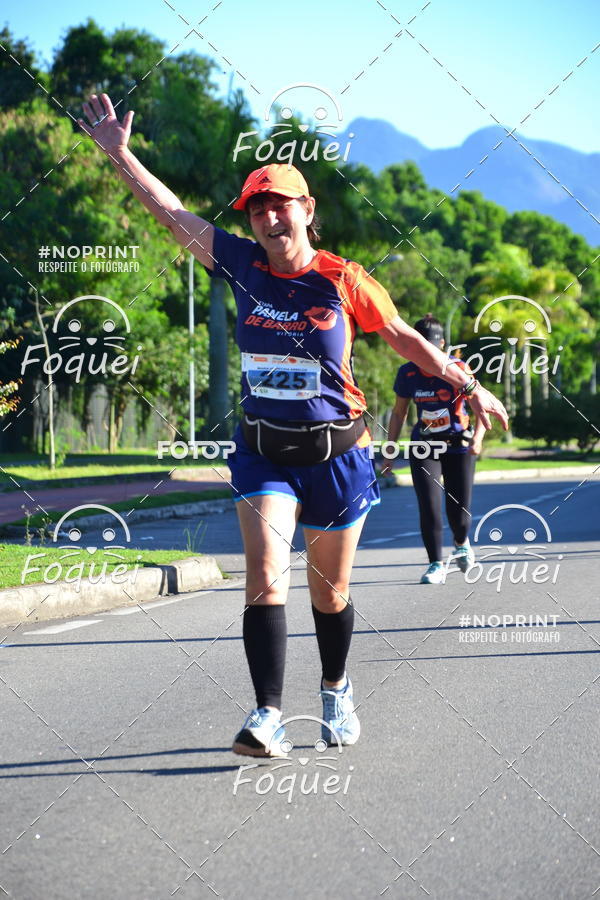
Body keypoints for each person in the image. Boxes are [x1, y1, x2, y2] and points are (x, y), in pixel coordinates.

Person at [79, 94, 508, 757]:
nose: (270, 214)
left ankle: (335, 690)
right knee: (265, 576)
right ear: (249, 222)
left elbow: (403, 340)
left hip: (338, 456)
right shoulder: (240, 265)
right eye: (257, 206)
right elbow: (169, 212)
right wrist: (119, 153)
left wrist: (470, 386)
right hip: (264, 455)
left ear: (308, 211)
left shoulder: (343, 280)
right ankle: (267, 715)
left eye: (282, 202)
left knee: (329, 595)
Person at [381, 314, 485, 584]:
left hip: (458, 444)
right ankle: (435, 564)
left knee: (459, 508)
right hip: (424, 445)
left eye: (430, 348)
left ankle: (461, 542)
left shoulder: (459, 369)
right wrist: (390, 451)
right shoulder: (407, 373)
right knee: (428, 505)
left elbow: (479, 406)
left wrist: (478, 439)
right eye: (419, 348)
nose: (424, 354)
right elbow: (399, 413)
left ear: (440, 346)